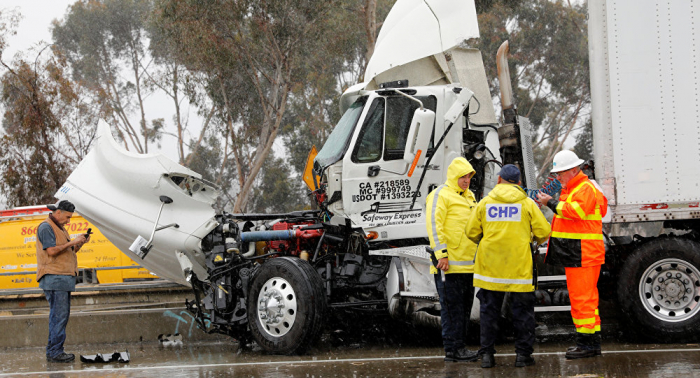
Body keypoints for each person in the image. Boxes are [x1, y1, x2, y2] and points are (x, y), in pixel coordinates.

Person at [466, 164, 551, 368]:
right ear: (519, 183)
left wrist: (486, 239)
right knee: (523, 313)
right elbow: (544, 231)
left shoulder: (485, 203)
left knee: (489, 313)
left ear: (499, 180)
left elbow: (470, 231)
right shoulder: (527, 204)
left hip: (490, 270)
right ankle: (523, 356)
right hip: (519, 269)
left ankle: (487, 356)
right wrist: (530, 239)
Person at [536, 150, 608, 359]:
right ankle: (591, 343)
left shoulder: (583, 189)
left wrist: (550, 202)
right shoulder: (578, 188)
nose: (558, 177)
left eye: (560, 173)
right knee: (586, 300)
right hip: (581, 253)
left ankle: (586, 345)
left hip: (582, 253)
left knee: (581, 300)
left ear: (574, 170)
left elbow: (573, 212)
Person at [425, 157, 479, 362]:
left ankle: (460, 348)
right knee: (451, 310)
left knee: (464, 310)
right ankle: (453, 350)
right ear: (453, 176)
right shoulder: (440, 194)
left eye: (468, 177)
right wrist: (442, 255)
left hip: (468, 265)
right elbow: (434, 225)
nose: (466, 180)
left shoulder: (470, 197)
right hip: (448, 266)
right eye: (462, 177)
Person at [36, 200, 90, 363]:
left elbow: (68, 251)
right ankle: (54, 352)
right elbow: (51, 251)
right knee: (58, 316)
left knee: (60, 316)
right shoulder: (46, 227)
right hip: (54, 277)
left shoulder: (60, 228)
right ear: (57, 212)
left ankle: (55, 351)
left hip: (62, 278)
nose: (69, 220)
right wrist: (72, 241)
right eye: (67, 217)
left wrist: (78, 244)